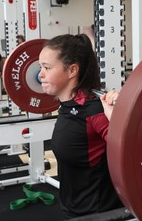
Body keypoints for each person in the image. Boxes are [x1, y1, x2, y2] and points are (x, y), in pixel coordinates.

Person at [38, 34, 121, 218]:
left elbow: (131, 153)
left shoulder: (95, 111)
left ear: (72, 70)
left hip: (97, 213)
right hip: (74, 208)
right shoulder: (67, 105)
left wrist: (117, 119)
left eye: (47, 68)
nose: (40, 74)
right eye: (40, 67)